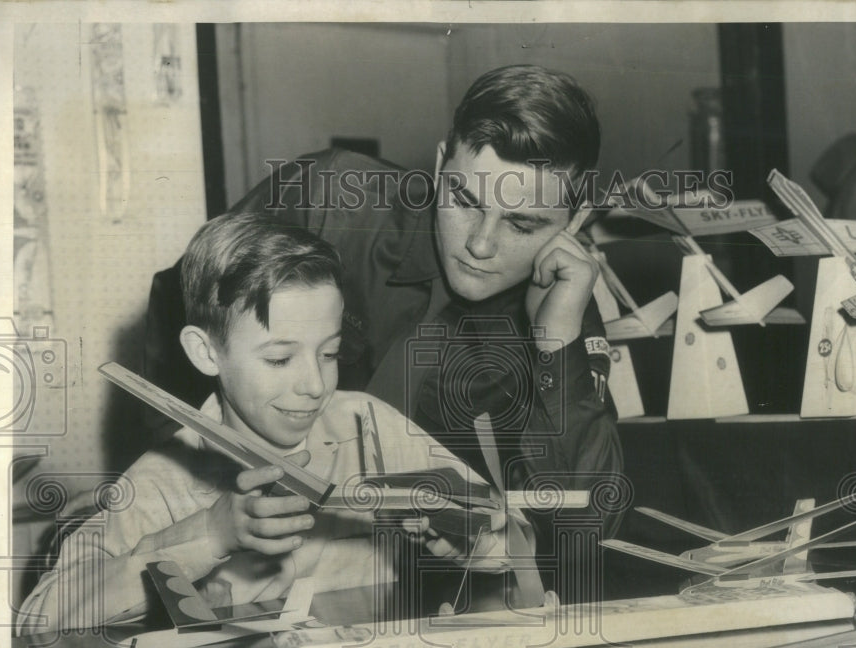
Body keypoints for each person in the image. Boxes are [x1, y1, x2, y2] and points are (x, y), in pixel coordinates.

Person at [145, 65, 624, 521]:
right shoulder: (329, 201)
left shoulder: (562, 305)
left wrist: (556, 346)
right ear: (440, 166)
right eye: (463, 200)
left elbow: (586, 523)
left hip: (422, 576)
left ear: (575, 221)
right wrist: (183, 483)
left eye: (522, 224)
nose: (481, 244)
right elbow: (182, 308)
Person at [18, 214, 515, 634]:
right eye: (280, 359)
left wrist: (472, 537)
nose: (315, 386)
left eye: (330, 353)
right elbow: (37, 621)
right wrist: (208, 535)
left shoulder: (366, 426)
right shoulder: (165, 477)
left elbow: (517, 541)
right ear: (206, 352)